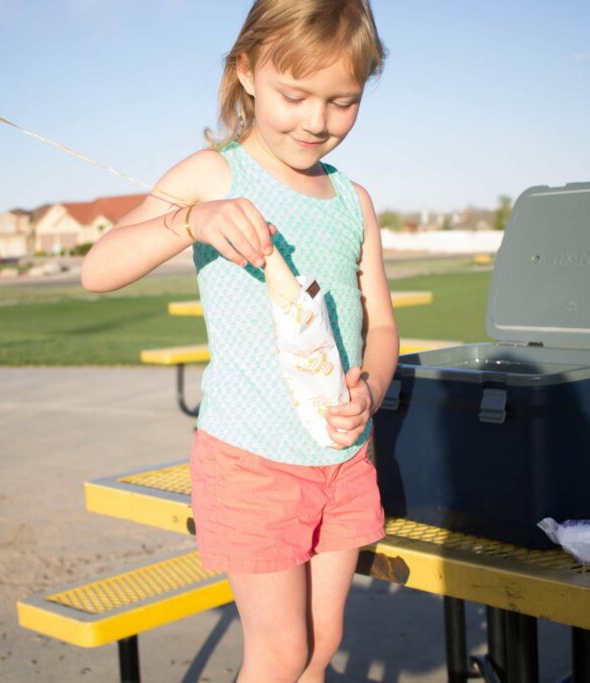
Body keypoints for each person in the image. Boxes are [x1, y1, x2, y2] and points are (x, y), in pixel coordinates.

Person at [81, 1, 398, 680]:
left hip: (343, 459)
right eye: (296, 95)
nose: (317, 121)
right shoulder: (213, 175)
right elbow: (97, 268)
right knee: (280, 651)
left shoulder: (354, 202)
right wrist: (191, 221)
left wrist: (370, 387)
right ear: (246, 71)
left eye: (343, 101)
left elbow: (383, 325)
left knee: (318, 646)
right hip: (252, 461)